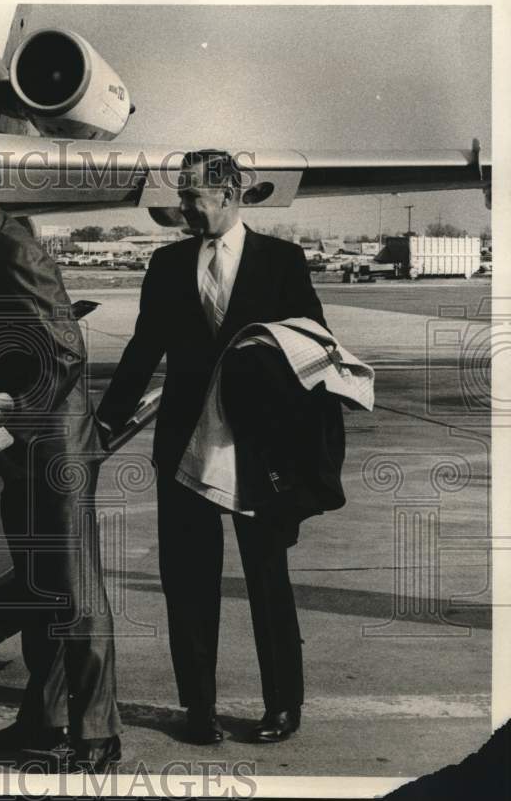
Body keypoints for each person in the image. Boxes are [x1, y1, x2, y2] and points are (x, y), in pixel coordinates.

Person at [97, 150, 330, 745]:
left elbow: (313, 352)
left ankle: (283, 706)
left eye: (192, 196)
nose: (181, 207)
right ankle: (198, 709)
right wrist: (104, 424)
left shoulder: (282, 261)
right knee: (189, 582)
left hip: (261, 451)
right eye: (182, 195)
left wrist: (307, 452)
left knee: (267, 580)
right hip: (184, 448)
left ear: (227, 195)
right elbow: (143, 349)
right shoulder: (168, 262)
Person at [0, 141, 121, 773]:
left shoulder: (15, 248)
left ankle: (98, 734)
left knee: (74, 590)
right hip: (25, 445)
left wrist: (14, 426)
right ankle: (45, 719)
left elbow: (64, 352)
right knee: (39, 591)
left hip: (52, 446)